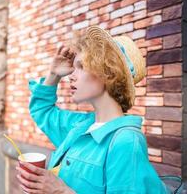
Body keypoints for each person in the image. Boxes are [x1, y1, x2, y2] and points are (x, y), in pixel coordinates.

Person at [16, 26, 169, 194]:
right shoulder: (80, 126)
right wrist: (53, 75)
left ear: (109, 74)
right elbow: (42, 111)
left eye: (81, 66)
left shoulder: (126, 142)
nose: (72, 76)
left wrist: (61, 191)